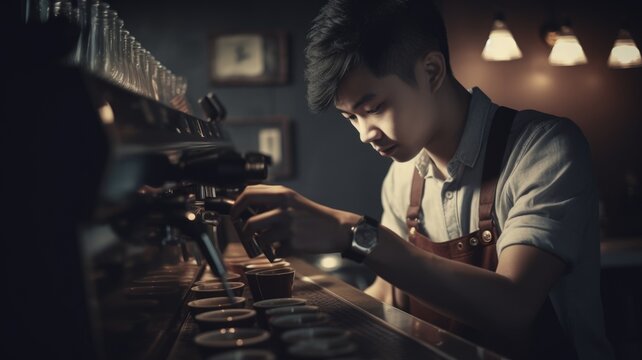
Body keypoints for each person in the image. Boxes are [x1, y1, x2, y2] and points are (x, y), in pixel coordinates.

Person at [230, 0, 614, 358]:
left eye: (373, 108)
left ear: (431, 71)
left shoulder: (543, 147)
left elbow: (513, 307)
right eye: (351, 118)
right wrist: (299, 310)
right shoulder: (402, 177)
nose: (365, 133)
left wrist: (350, 233)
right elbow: (389, 296)